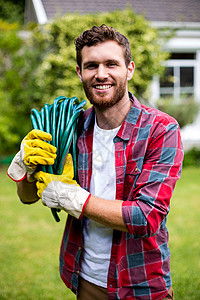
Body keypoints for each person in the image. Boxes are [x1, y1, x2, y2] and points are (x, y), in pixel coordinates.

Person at [7, 25, 183, 300]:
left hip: (141, 280)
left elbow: (148, 216)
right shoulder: (70, 128)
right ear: (80, 73)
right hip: (85, 279)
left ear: (129, 69)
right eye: (91, 66)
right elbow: (29, 198)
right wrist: (24, 168)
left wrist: (75, 199)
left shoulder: (161, 129)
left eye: (111, 63)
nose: (101, 74)